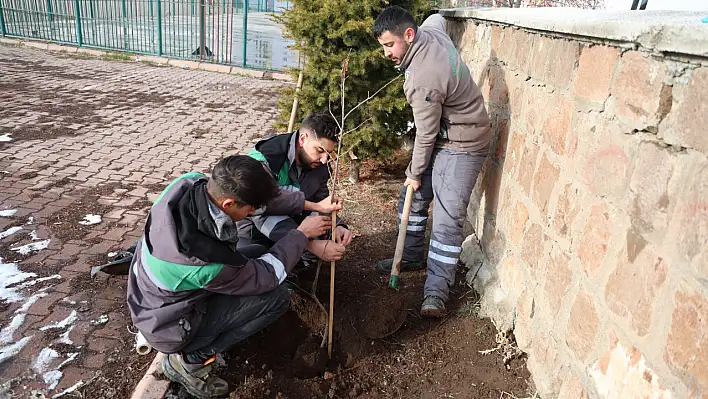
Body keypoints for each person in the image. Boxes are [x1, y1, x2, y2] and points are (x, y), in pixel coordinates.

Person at [126, 155, 333, 398]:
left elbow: (265, 202)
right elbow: (267, 276)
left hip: (150, 297)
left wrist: (314, 205)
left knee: (258, 252)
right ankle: (191, 361)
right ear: (228, 204)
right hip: (168, 327)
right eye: (250, 209)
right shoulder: (206, 260)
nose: (253, 212)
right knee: (276, 297)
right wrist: (301, 235)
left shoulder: (188, 184)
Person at [373, 6, 492, 317]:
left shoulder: (422, 79)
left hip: (464, 144)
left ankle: (436, 293)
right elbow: (437, 17)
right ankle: (411, 257)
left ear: (409, 35)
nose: (386, 53)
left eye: (389, 45)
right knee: (411, 200)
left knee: (447, 218)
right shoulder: (433, 31)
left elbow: (424, 135)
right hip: (446, 135)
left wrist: (414, 173)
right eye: (383, 46)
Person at [238, 113, 353, 269]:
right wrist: (310, 244)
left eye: (328, 153)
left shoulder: (319, 163)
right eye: (320, 150)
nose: (324, 159)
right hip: (254, 227)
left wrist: (337, 226)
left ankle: (299, 259)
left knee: (319, 228)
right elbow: (260, 211)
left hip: (290, 222)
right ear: (303, 139)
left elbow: (321, 199)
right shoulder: (267, 159)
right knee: (260, 260)